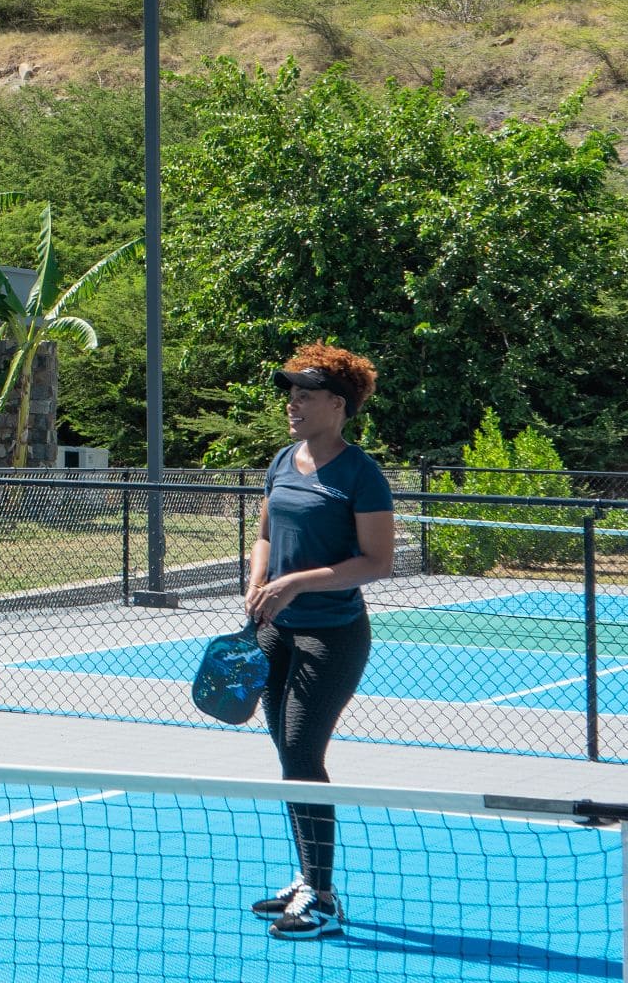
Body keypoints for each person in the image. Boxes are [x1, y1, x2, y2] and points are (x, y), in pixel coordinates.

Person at [243, 342, 395, 941]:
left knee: (304, 753)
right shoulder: (284, 460)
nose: (293, 404)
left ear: (338, 404)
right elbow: (263, 532)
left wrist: (294, 582)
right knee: (289, 756)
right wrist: (259, 581)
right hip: (274, 629)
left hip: (332, 636)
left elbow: (377, 562)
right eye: (291, 394)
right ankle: (309, 874)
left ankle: (322, 895)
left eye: (306, 395)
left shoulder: (362, 474)